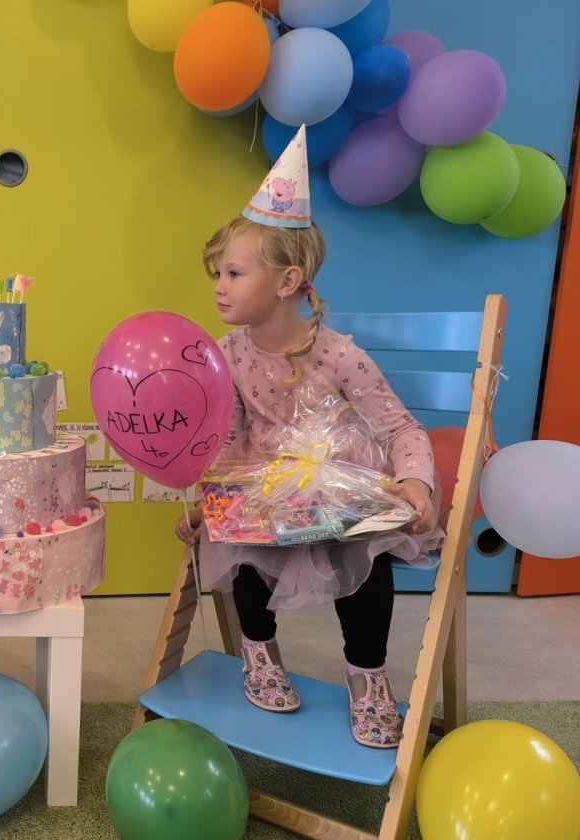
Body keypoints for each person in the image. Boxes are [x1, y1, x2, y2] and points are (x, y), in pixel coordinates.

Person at [180, 127, 441, 749]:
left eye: (234, 272)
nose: (219, 285)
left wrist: (415, 481)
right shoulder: (226, 355)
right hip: (266, 498)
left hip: (339, 495)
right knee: (241, 545)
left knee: (369, 556)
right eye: (219, 272)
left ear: (287, 280)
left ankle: (367, 676)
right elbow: (229, 440)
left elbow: (400, 426)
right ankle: (259, 652)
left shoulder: (339, 355)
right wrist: (212, 501)